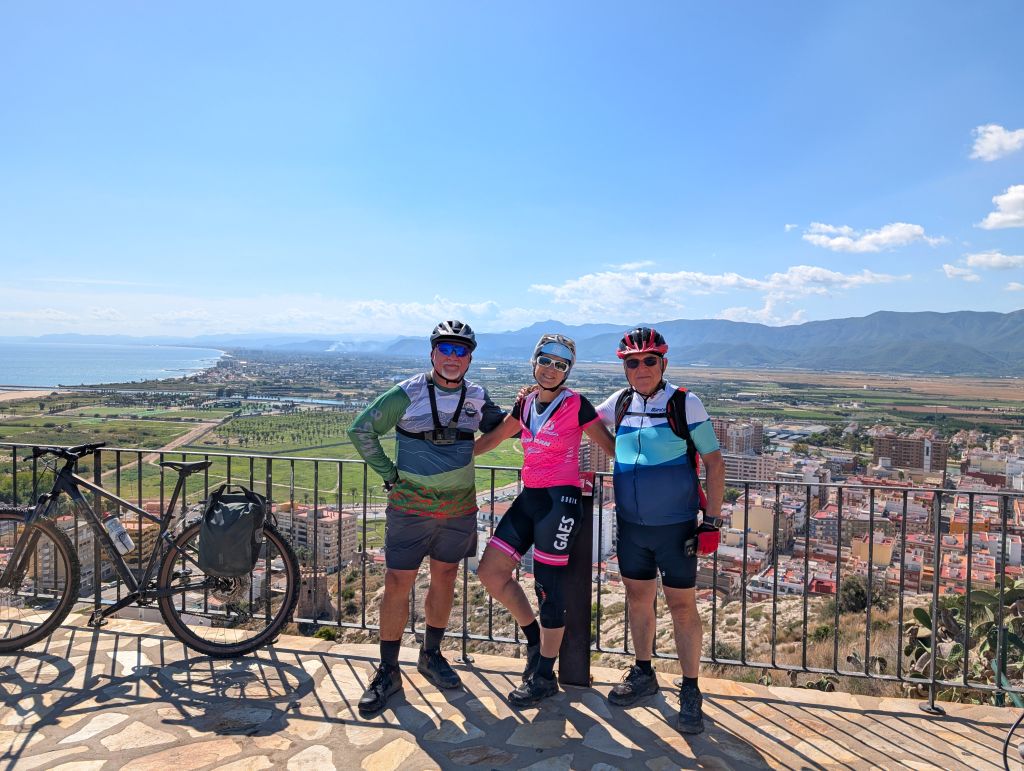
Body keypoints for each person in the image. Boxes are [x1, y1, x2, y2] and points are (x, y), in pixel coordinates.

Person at [346, 320, 505, 718]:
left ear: (470, 357)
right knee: (398, 580)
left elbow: (508, 426)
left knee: (446, 576)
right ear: (432, 354)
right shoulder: (408, 393)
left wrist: (532, 398)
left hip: (458, 508)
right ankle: (387, 670)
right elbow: (361, 429)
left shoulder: (477, 396)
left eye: (461, 351)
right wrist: (389, 475)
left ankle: (431, 655)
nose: (453, 358)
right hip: (410, 508)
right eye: (445, 350)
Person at [474, 334, 615, 707]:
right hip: (529, 497)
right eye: (546, 360)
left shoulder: (577, 405)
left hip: (561, 501)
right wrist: (455, 456)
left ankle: (543, 676)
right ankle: (535, 640)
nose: (551, 369)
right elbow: (495, 437)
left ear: (568, 371)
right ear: (534, 362)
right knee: (490, 572)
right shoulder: (524, 404)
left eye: (561, 364)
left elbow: (612, 447)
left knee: (548, 590)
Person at [595, 327, 724, 735]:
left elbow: (716, 464)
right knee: (638, 600)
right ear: (624, 369)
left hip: (675, 528)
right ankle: (644, 672)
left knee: (682, 607)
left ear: (663, 363)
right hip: (632, 527)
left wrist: (713, 522)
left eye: (649, 360)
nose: (641, 368)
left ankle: (690, 689)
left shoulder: (686, 403)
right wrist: (533, 395)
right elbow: (577, 417)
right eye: (632, 362)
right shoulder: (621, 402)